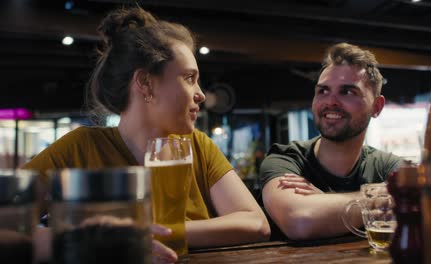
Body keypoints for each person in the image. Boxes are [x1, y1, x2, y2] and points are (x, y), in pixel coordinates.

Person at [23, 7, 270, 263]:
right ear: (145, 83)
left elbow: (256, 223)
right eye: (189, 78)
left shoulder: (198, 145)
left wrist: (155, 233)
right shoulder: (79, 147)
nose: (201, 95)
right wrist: (99, 242)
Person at [260, 43, 402, 241]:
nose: (331, 102)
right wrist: (380, 197)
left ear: (376, 107)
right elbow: (300, 221)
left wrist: (323, 203)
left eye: (347, 92)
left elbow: (429, 208)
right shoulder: (285, 159)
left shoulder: (388, 167)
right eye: (323, 91)